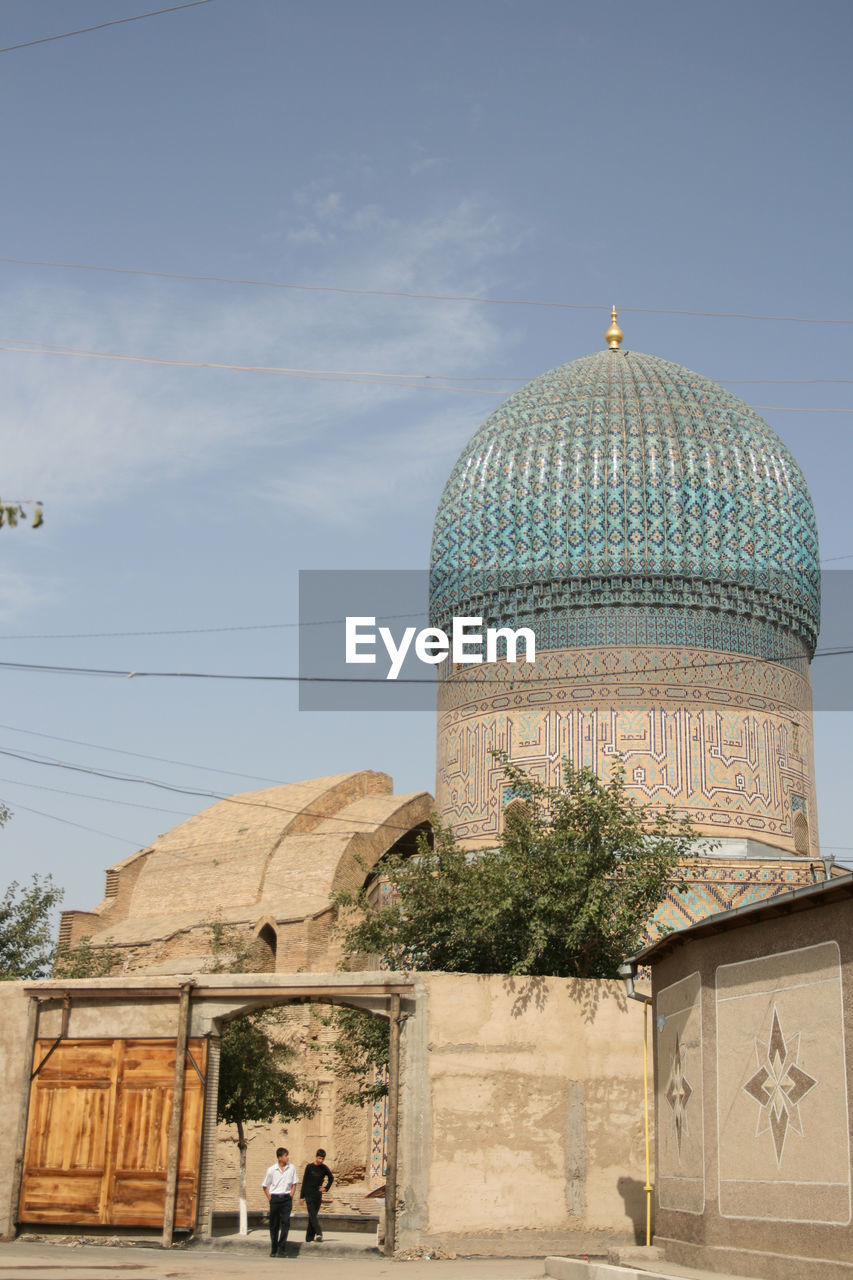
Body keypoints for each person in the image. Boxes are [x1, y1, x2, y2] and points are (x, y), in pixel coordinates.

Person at [261, 1147, 299, 1257]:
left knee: (286, 1222)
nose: (287, 1157)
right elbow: (265, 1185)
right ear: (279, 1157)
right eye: (285, 1156)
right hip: (275, 1199)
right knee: (274, 1224)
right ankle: (274, 1248)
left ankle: (282, 1248)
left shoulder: (291, 1168)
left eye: (287, 1155)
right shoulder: (271, 1170)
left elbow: (294, 1183)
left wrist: (291, 1194)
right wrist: (270, 1198)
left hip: (286, 1198)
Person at [300, 1148, 334, 1243]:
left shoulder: (324, 1168)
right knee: (312, 1214)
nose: (320, 1161)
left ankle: (308, 1238)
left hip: (317, 1195)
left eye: (322, 1159)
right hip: (308, 1195)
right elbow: (304, 1182)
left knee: (313, 1216)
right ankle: (319, 1233)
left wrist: (325, 1188)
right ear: (316, 1157)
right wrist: (302, 1197)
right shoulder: (309, 1167)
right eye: (319, 1158)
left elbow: (331, 1178)